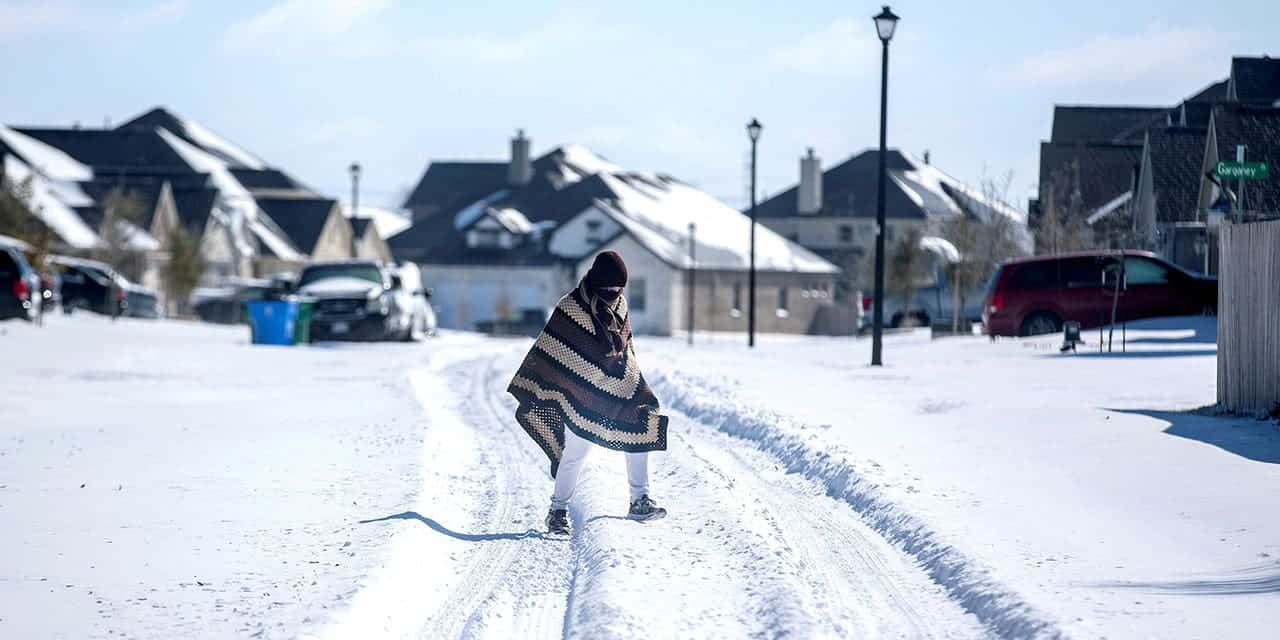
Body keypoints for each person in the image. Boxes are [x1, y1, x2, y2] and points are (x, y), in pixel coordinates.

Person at [507, 251, 669, 535]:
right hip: (580, 393)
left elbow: (625, 348)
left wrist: (630, 378)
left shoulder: (620, 304)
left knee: (642, 424)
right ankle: (557, 511)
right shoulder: (571, 306)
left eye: (619, 289)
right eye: (608, 288)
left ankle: (639, 500)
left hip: (618, 387)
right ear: (596, 282)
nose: (613, 293)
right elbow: (553, 349)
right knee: (575, 454)